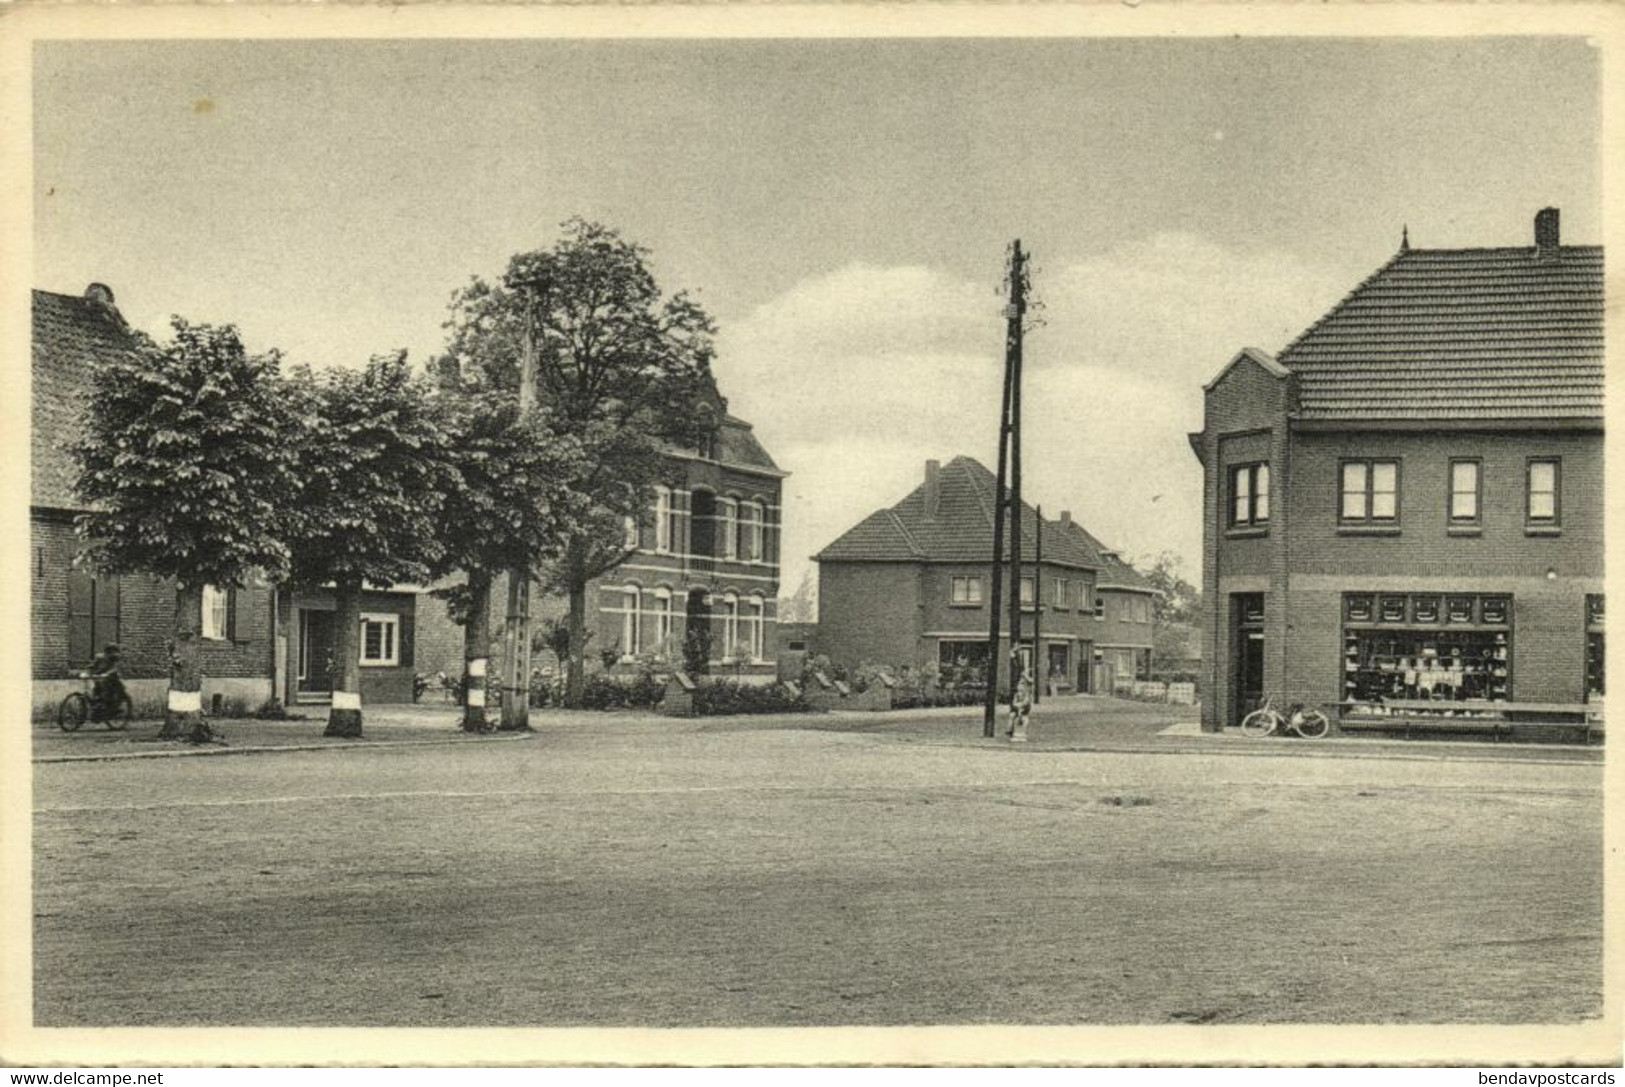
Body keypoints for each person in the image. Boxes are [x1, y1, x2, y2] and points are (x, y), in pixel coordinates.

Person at [89, 642, 127, 716]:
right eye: (109, 650)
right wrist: (88, 672)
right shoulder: (99, 657)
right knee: (97, 691)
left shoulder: (114, 658)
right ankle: (97, 708)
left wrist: (108, 673)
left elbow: (115, 668)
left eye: (113, 651)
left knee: (114, 691)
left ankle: (114, 708)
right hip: (100, 678)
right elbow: (92, 665)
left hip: (112, 679)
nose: (111, 653)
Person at [1008, 667, 1033, 741]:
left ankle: (1022, 733)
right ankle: (1011, 730)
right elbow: (1014, 702)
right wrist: (1016, 705)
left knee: (1023, 718)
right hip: (1018, 707)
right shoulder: (1017, 694)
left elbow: (1026, 701)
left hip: (1024, 708)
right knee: (1012, 716)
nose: (1020, 687)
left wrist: (1025, 675)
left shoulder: (1027, 689)